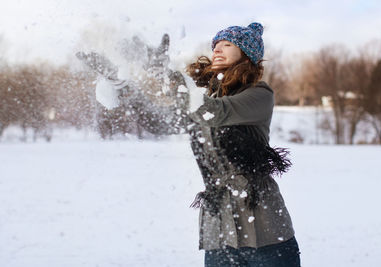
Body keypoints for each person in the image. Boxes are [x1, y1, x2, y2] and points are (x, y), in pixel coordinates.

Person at [78, 22, 300, 267]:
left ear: (247, 55)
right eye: (216, 44)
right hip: (219, 234)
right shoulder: (201, 98)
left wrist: (167, 74)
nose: (217, 49)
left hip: (266, 231)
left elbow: (211, 112)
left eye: (227, 44)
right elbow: (158, 122)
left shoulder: (258, 95)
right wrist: (122, 85)